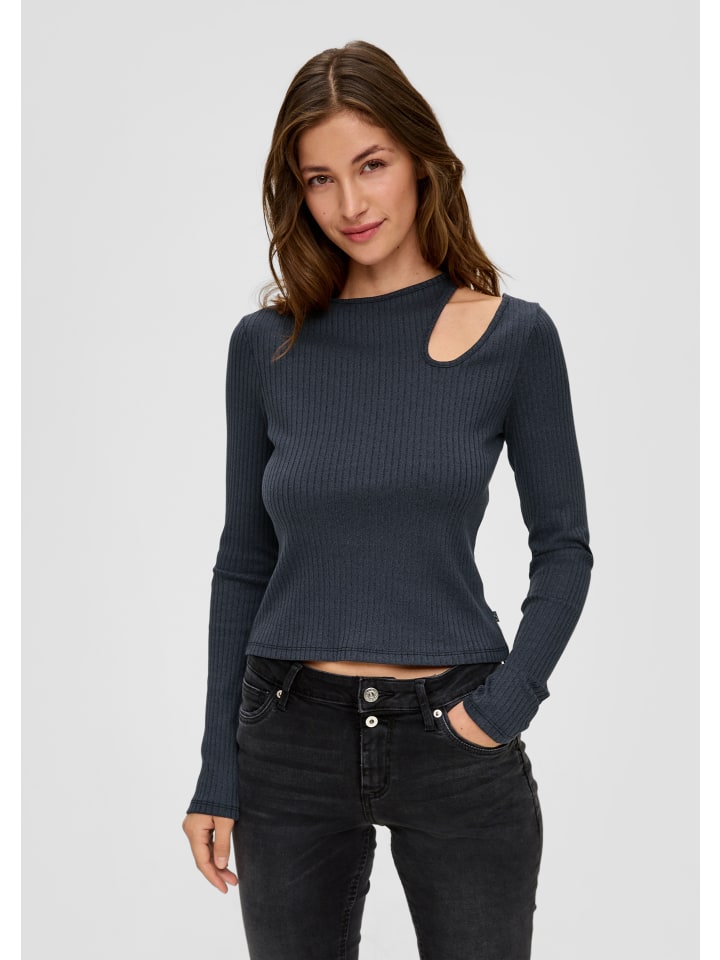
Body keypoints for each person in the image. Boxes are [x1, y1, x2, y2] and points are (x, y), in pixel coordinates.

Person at [182, 39, 593, 960]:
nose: (351, 204)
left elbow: (564, 547)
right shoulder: (266, 346)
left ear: (421, 160)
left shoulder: (515, 338)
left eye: (371, 165)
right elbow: (243, 563)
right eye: (320, 179)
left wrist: (503, 708)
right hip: (288, 732)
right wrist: (217, 771)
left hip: (458, 734)